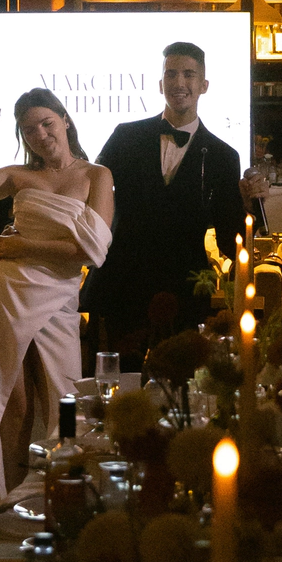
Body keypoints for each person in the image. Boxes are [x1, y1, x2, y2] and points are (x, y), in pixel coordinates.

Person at [0, 88, 114, 516]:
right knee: (9, 405)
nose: (40, 135)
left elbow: (92, 251)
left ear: (65, 120)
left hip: (58, 298)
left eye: (47, 123)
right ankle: (7, 508)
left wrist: (25, 246)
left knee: (63, 399)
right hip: (5, 293)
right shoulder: (17, 175)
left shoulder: (96, 175)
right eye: (29, 129)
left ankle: (60, 500)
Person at [86, 42, 246, 358]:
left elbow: (231, 239)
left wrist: (253, 204)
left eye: (188, 74)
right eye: (171, 74)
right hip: (122, 285)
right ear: (160, 84)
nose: (179, 82)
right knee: (115, 381)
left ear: (204, 85)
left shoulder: (223, 156)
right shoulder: (125, 137)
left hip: (185, 290)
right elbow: (89, 193)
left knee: (182, 380)